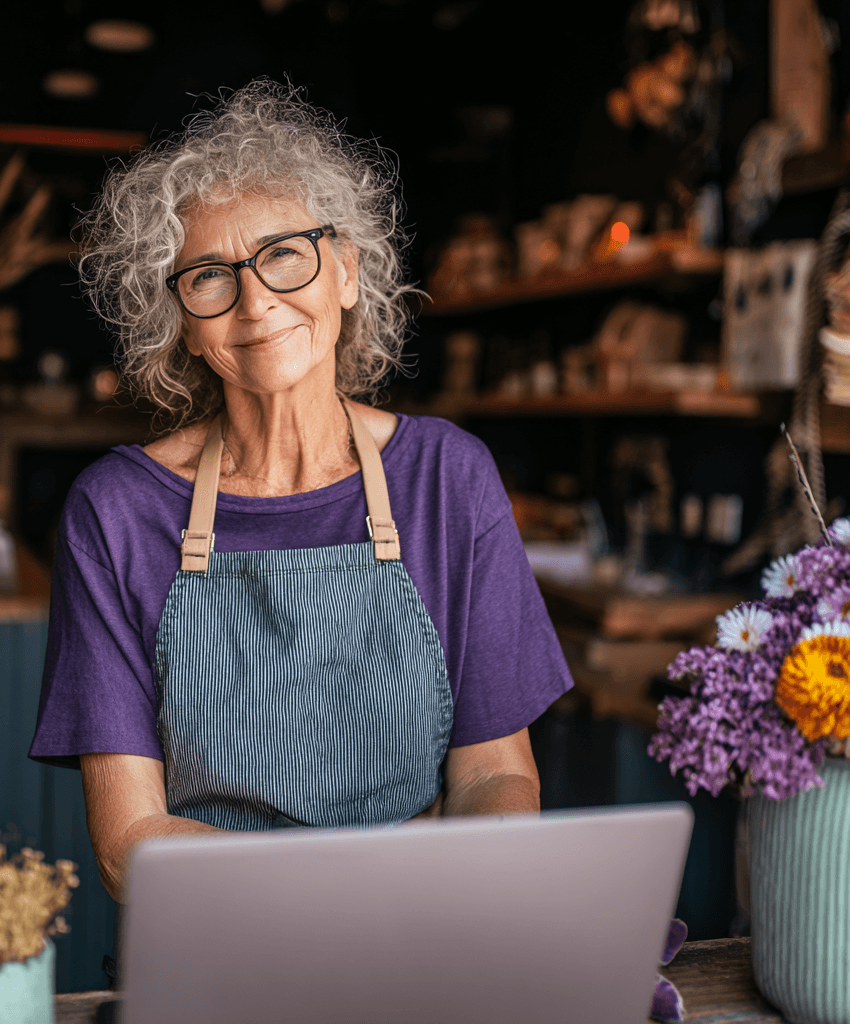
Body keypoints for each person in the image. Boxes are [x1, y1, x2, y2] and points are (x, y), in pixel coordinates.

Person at [28, 81, 573, 910]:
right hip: (215, 953)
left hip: (422, 930)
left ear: (347, 272)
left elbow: (495, 774)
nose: (256, 302)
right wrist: (355, 887)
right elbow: (130, 842)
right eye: (209, 275)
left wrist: (434, 891)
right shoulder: (116, 513)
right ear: (180, 320)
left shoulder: (447, 479)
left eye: (285, 253)